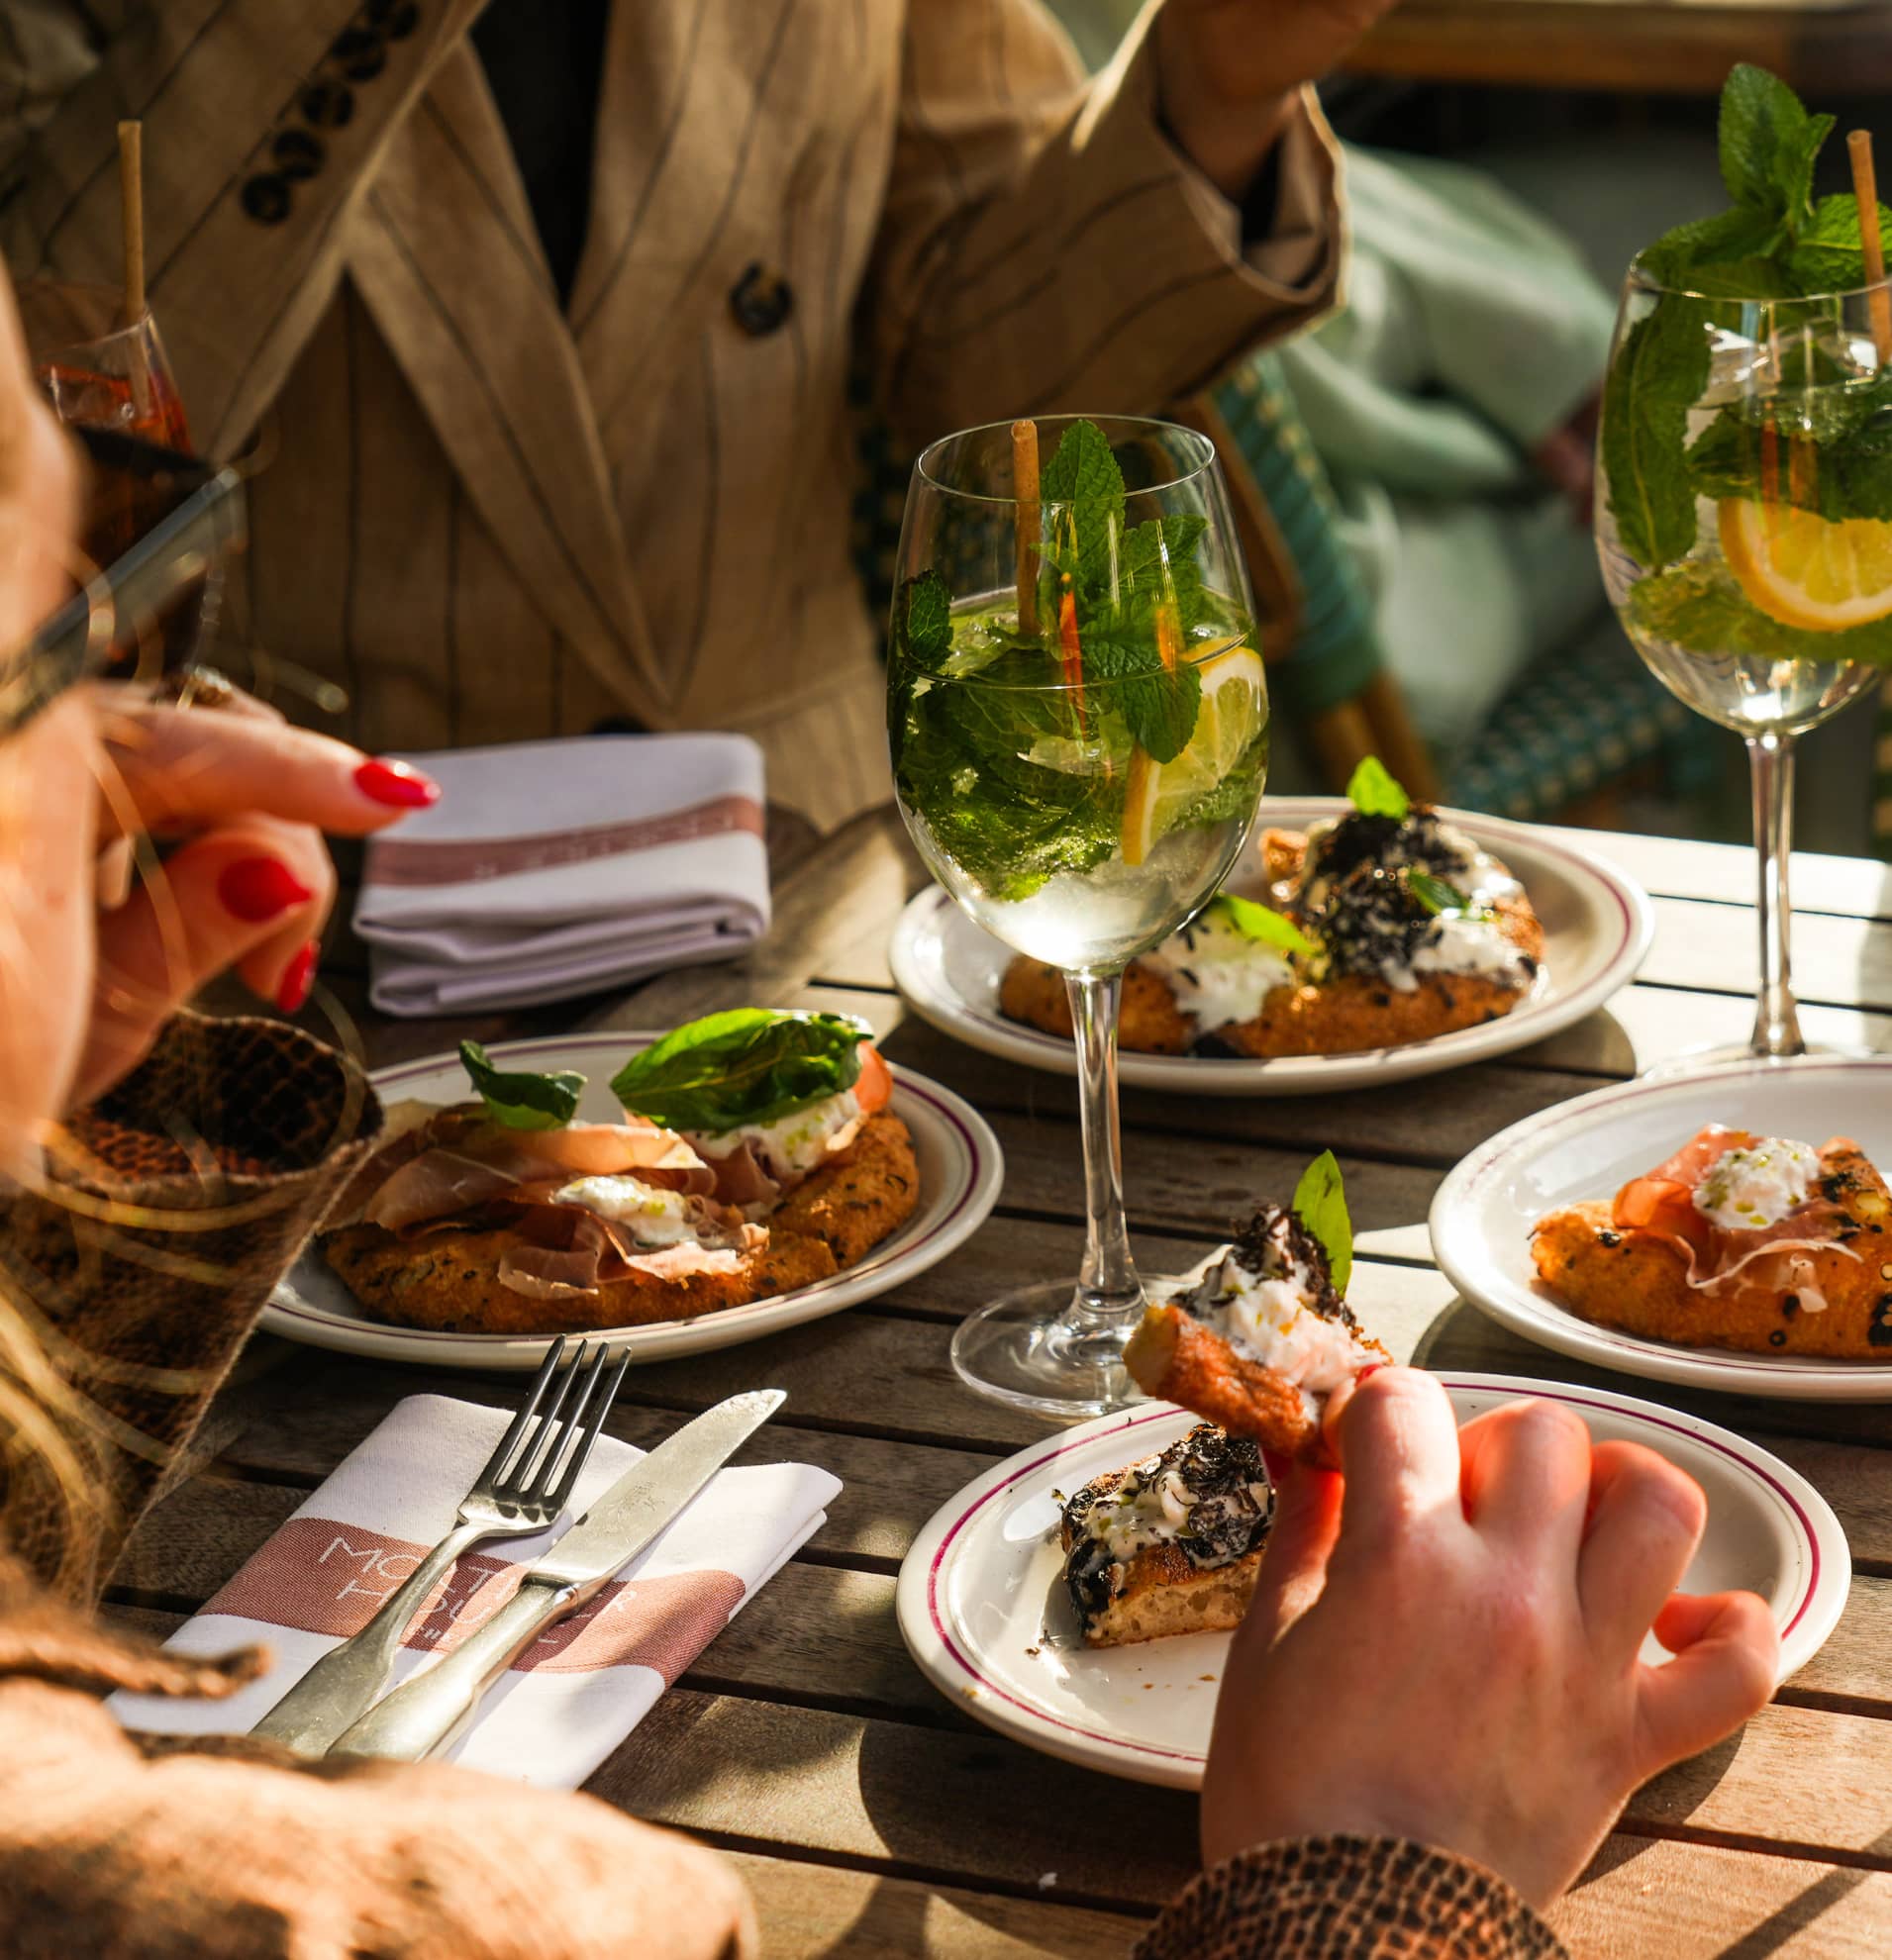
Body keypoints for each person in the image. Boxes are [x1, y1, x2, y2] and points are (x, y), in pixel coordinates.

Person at [0, 291, 1781, 1953]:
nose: (152, 718)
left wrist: (66, 1160)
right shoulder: (499, 1908)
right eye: (75, 628)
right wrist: (1392, 1867)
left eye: (149, 556)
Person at [4, 0, 1377, 829]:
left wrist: (1216, 96)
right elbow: (61, 436)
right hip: (309, 889)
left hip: (807, 873)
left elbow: (973, 395)